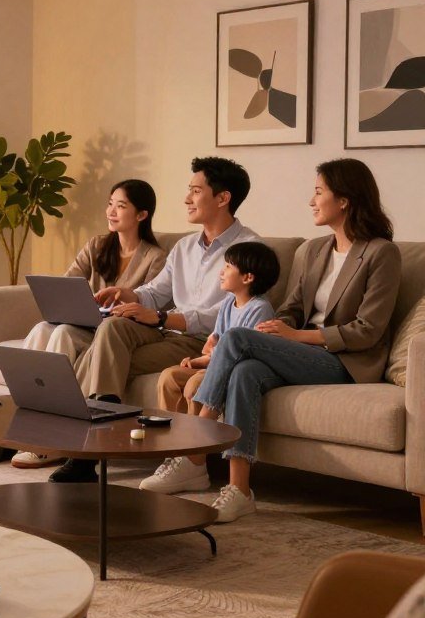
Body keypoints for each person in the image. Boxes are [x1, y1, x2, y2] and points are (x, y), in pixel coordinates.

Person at [175, 159, 401, 523]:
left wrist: (296, 336)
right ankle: (240, 490)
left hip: (344, 361)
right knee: (245, 371)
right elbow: (293, 308)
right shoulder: (312, 251)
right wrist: (276, 330)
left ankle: (193, 454)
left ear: (343, 200)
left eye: (318, 192)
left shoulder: (380, 253)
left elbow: (367, 330)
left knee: (234, 339)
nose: (311, 200)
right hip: (299, 351)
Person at [51, 157, 259, 483]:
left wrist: (163, 316)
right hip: (167, 334)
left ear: (223, 198)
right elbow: (155, 290)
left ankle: (79, 446)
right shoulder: (185, 247)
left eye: (195, 191)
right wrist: (128, 295)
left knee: (102, 356)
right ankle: (87, 443)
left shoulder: (248, 248)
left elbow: (231, 313)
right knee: (113, 326)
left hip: (200, 344)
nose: (187, 199)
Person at [0, 179, 167, 469]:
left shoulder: (156, 257)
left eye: (121, 206)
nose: (111, 211)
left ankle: (52, 439)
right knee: (42, 329)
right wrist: (76, 301)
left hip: (115, 332)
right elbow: (66, 283)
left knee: (62, 333)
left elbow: (153, 305)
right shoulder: (97, 246)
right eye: (110, 203)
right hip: (84, 322)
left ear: (141, 215)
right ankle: (15, 433)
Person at [155, 241, 279, 419]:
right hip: (215, 365)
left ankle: (195, 442)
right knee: (169, 377)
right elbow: (214, 344)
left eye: (228, 267)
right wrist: (199, 360)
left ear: (247, 278)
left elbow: (241, 355)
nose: (221, 272)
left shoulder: (260, 309)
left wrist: (212, 354)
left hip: (230, 370)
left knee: (194, 386)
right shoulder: (228, 302)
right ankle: (169, 437)